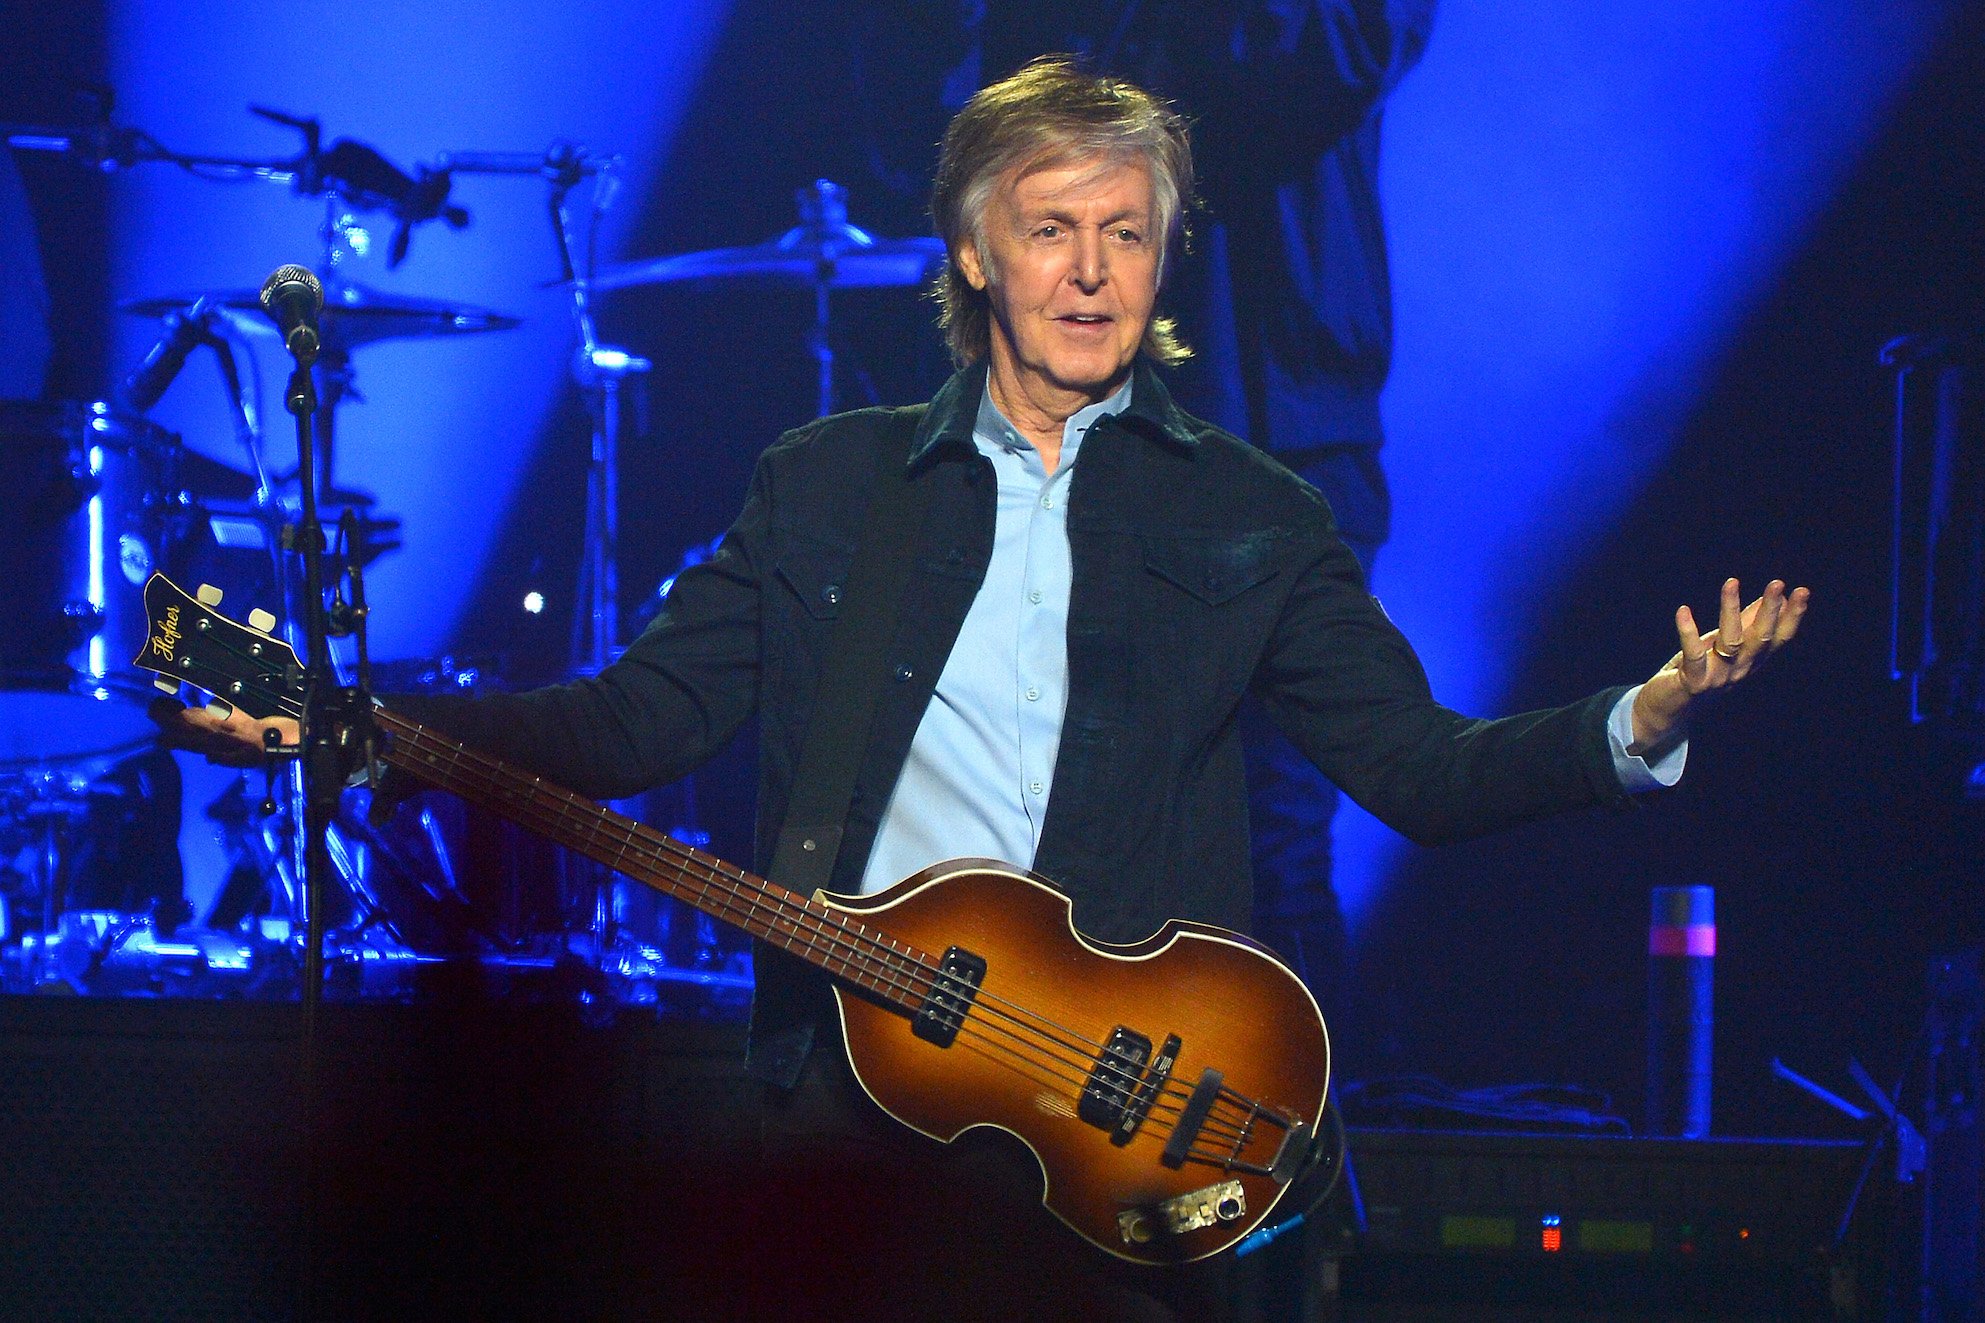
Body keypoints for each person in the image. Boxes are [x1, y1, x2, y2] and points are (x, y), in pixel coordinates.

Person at [159, 58, 1807, 1320]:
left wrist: (1635, 718)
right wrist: (365, 727)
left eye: (1125, 234)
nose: (1089, 272)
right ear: (975, 251)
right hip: (849, 1105)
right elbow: (631, 722)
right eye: (1050, 231)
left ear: (1165, 261)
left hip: (1115, 1122)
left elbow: (1422, 772)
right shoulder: (826, 485)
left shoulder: (1253, 512)